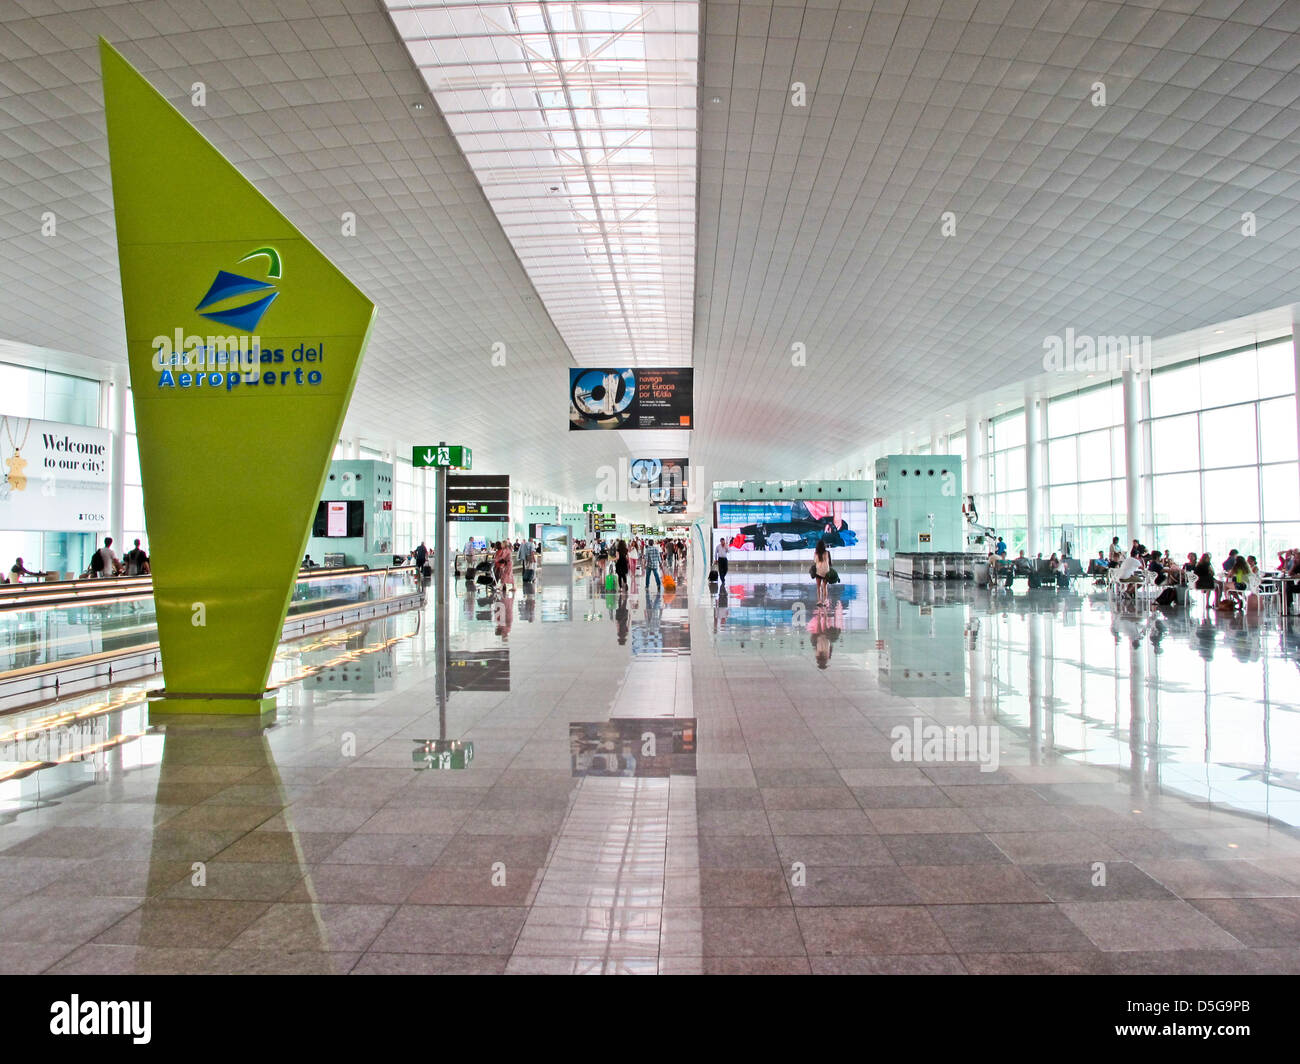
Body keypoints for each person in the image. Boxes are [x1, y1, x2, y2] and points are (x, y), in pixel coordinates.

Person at [812, 539, 832, 606]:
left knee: (818, 587)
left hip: (818, 571)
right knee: (825, 586)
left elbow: (815, 561)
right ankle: (825, 601)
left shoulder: (816, 553)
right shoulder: (827, 553)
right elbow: (830, 563)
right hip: (826, 571)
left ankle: (819, 601)